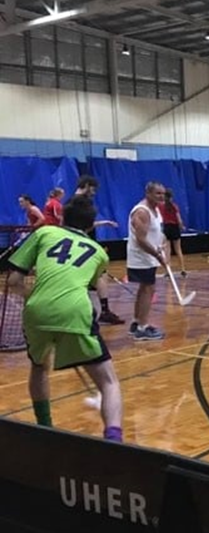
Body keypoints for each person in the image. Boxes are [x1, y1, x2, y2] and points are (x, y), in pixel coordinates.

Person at [7, 195, 124, 441]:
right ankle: (114, 441)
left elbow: (14, 282)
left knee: (39, 367)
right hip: (75, 310)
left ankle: (45, 428)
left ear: (61, 217)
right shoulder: (99, 253)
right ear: (91, 226)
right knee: (109, 383)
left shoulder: (44, 233)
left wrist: (35, 296)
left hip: (36, 311)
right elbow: (88, 283)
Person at [72, 176, 124, 326]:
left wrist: (103, 223)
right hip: (85, 245)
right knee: (101, 275)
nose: (94, 193)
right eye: (93, 189)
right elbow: (86, 225)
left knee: (91, 277)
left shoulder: (71, 202)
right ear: (87, 186)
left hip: (76, 244)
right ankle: (104, 311)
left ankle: (86, 311)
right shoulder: (83, 202)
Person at [127, 182, 167, 341]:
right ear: (148, 193)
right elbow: (141, 240)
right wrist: (158, 256)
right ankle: (142, 327)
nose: (161, 196)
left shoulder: (155, 210)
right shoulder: (142, 212)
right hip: (141, 257)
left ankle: (136, 323)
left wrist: (162, 248)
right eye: (158, 193)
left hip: (150, 255)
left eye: (163, 193)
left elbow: (157, 233)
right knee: (148, 290)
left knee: (145, 288)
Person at [158, 188, 187, 278]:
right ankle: (183, 270)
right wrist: (182, 226)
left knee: (167, 251)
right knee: (178, 250)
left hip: (167, 228)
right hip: (174, 228)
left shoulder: (161, 206)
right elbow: (179, 219)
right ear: (171, 197)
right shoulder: (174, 206)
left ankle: (168, 271)